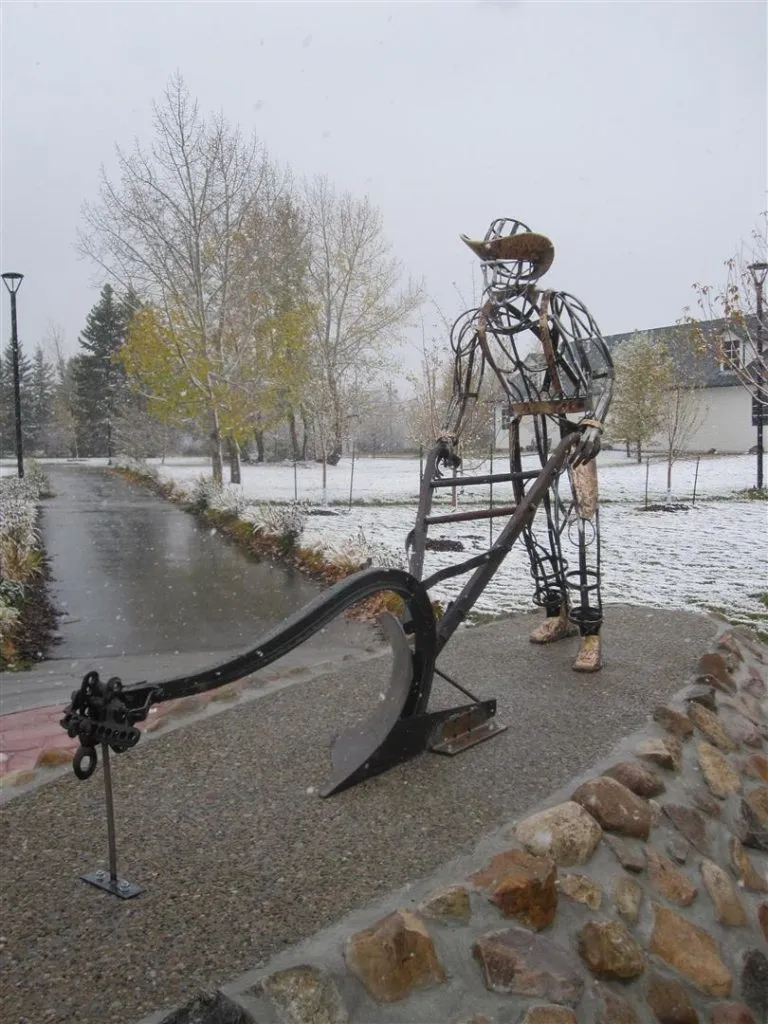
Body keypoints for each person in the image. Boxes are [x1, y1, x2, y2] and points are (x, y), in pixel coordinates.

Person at [443, 217, 614, 672]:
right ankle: (556, 611)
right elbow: (465, 390)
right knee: (533, 528)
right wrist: (448, 434)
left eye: (505, 260)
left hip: (570, 431)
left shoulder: (558, 308)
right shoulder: (477, 322)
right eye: (491, 261)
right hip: (525, 433)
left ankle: (591, 629)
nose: (496, 271)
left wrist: (594, 421)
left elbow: (601, 371)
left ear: (529, 266)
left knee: (579, 528)